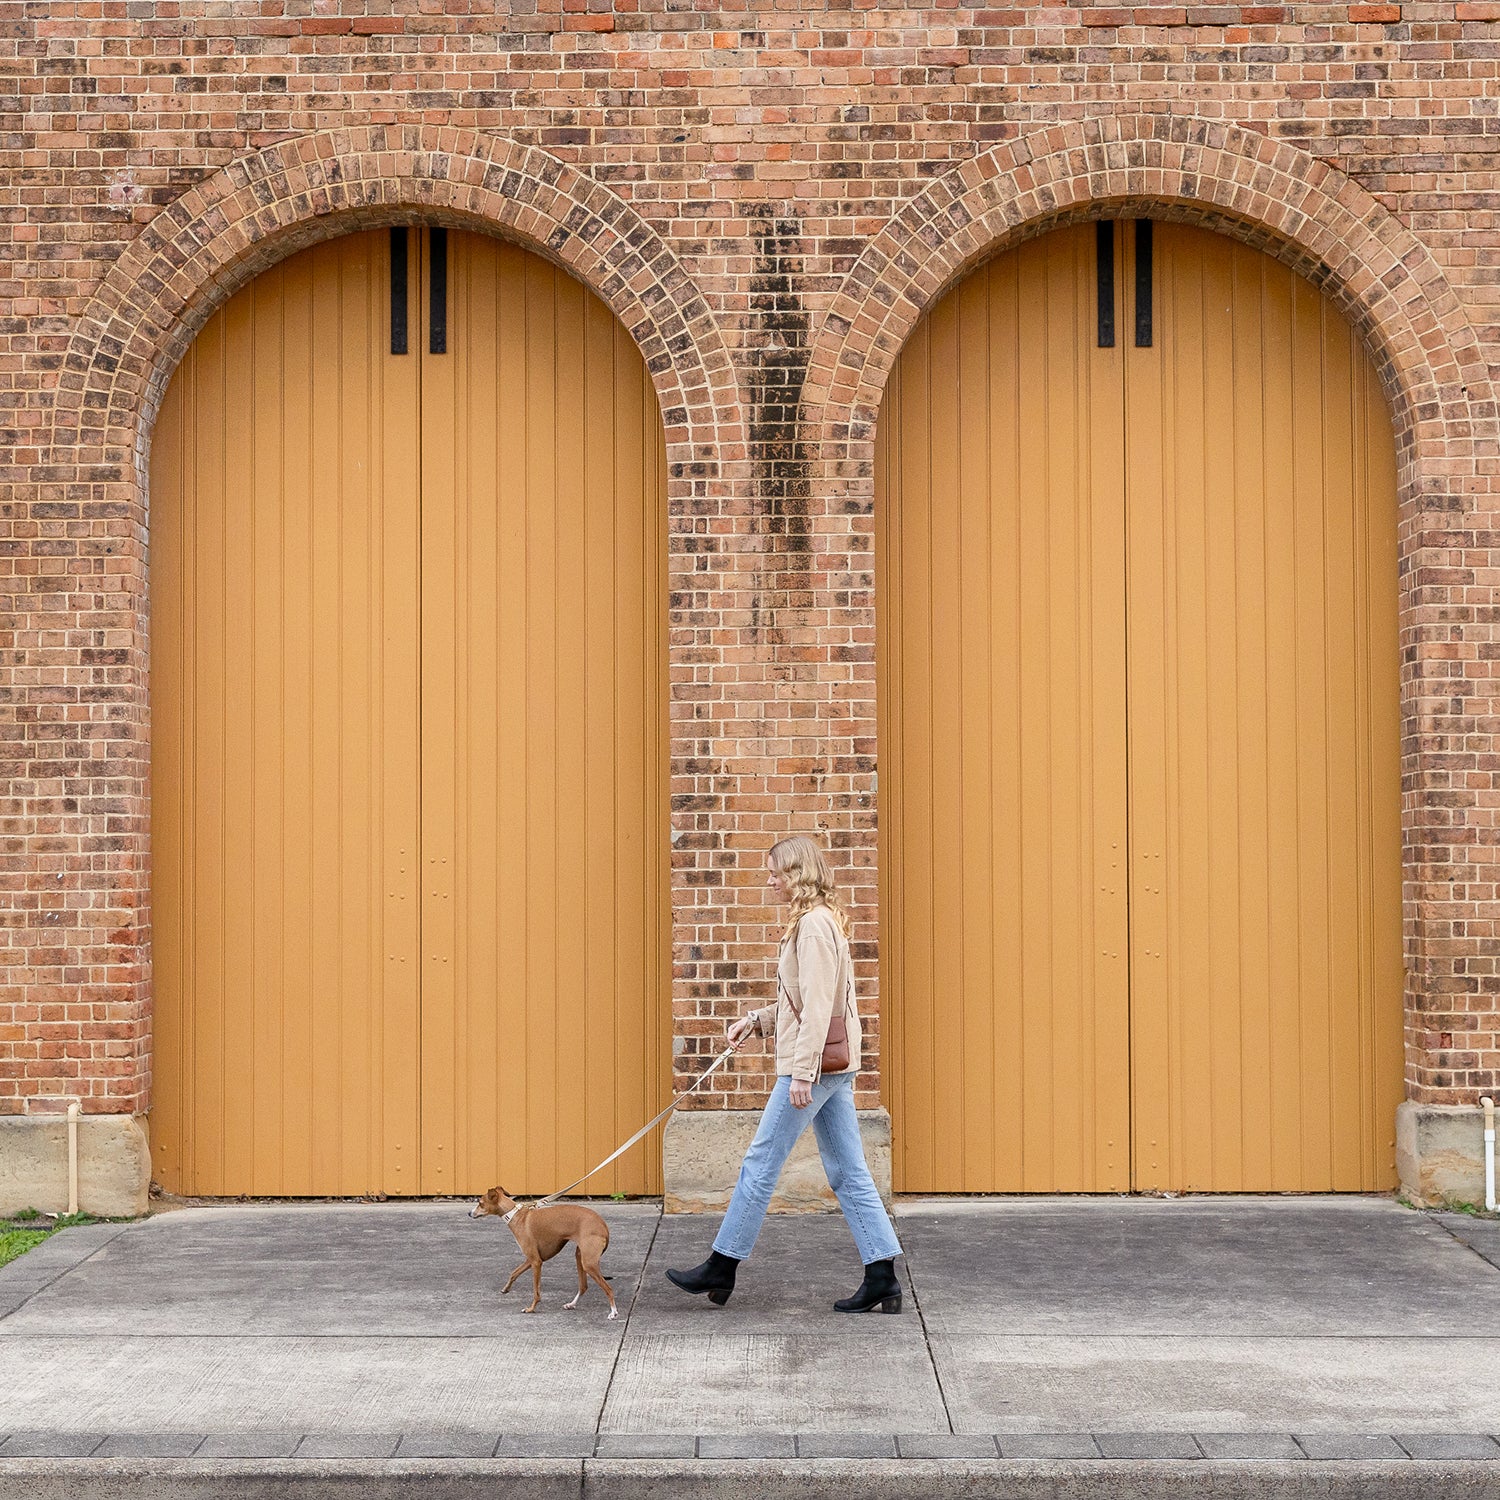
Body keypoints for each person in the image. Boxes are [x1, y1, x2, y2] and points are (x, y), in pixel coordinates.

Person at [665, 834, 904, 1312]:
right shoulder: (818, 922)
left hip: (813, 1067)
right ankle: (882, 1275)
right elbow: (802, 1002)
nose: (769, 881)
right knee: (849, 1172)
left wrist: (801, 1073)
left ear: (797, 874)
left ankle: (722, 1264)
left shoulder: (813, 927)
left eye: (775, 873)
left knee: (760, 1162)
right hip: (829, 1065)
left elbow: (817, 1008)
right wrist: (756, 1020)